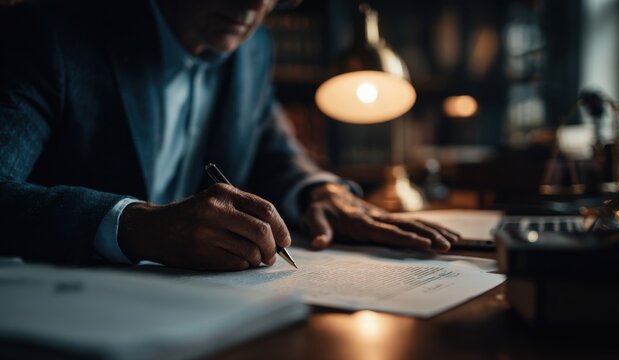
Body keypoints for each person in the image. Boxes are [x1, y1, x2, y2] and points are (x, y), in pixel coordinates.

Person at [0, 0, 459, 271]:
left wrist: (323, 190)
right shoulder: (50, 32)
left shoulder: (252, 48)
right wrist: (135, 225)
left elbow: (275, 149)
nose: (252, 5)